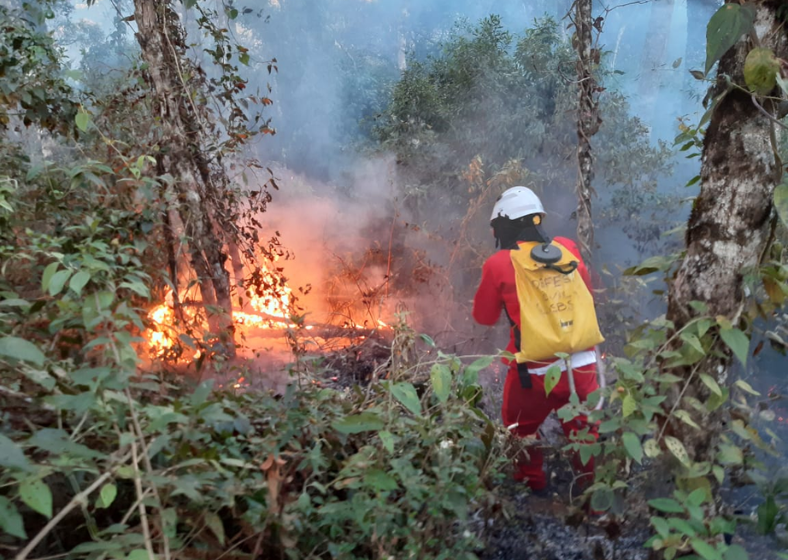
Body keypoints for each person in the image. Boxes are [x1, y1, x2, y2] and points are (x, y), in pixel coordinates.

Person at [472, 186, 600, 493]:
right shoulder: (567, 247)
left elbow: (484, 317)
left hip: (533, 374)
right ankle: (591, 496)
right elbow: (586, 293)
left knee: (521, 430)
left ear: (504, 226)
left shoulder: (499, 264)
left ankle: (533, 489)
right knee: (584, 434)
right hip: (583, 366)